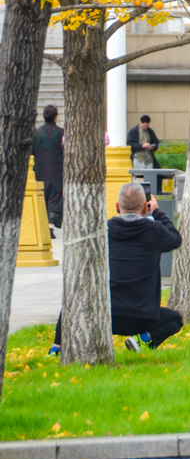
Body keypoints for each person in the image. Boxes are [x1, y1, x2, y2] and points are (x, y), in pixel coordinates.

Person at [49, 181, 182, 356]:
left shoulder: (103, 230)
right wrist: (157, 212)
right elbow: (175, 239)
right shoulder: (155, 230)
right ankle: (143, 339)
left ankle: (57, 348)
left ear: (118, 206)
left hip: (103, 316)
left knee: (70, 303)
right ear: (145, 207)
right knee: (175, 319)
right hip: (142, 318)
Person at [32, 105, 64, 237]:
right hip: (56, 169)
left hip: (39, 169)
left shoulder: (36, 133)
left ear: (43, 116)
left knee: (41, 194)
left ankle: (41, 224)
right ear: (56, 117)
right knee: (55, 195)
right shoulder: (62, 132)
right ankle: (50, 226)